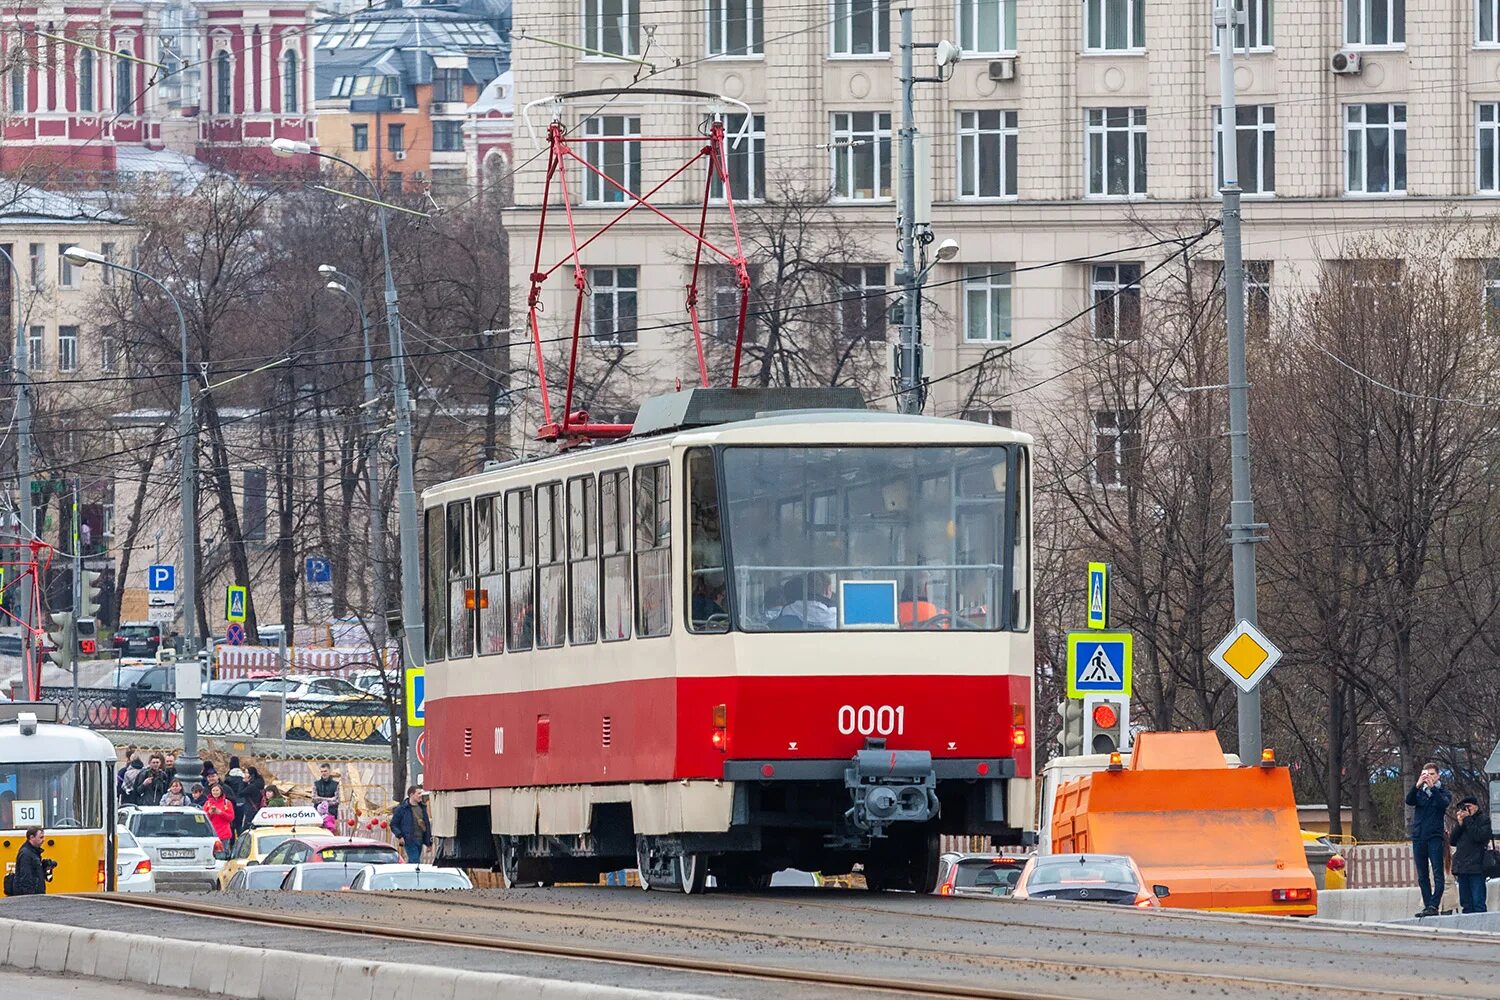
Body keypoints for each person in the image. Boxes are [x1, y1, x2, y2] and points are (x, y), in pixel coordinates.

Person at [1407, 761, 1452, 917]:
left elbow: (1443, 804)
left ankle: (1434, 904)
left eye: (1432, 774)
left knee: (1437, 873)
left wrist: (1433, 788)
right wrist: (1418, 785)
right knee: (1422, 875)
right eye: (1426, 774)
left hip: (1434, 837)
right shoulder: (1420, 793)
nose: (1429, 777)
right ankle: (1428, 905)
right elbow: (1409, 800)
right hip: (1419, 837)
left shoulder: (1443, 792)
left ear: (1438, 776)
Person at [1450, 797, 1492, 915]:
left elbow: (1479, 836)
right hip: (1462, 867)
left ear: (1475, 806)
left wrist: (1468, 819)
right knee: (1466, 904)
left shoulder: (1483, 820)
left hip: (1477, 867)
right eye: (1463, 808)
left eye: (1468, 807)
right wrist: (1460, 824)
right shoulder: (1463, 823)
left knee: (1478, 902)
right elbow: (1452, 841)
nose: (1466, 810)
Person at [390, 786, 431, 864]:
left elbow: (427, 825)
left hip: (420, 839)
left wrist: (428, 843)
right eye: (418, 793)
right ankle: (414, 875)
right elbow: (393, 824)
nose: (421, 795)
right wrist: (400, 836)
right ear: (411, 794)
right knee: (415, 861)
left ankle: (408, 873)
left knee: (413, 860)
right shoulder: (402, 808)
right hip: (409, 840)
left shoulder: (422, 808)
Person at [7, 827, 51, 896]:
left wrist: (43, 867)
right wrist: (29, 898)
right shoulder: (26, 854)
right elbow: (25, 877)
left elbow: (34, 873)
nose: (43, 840)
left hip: (35, 895)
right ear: (32, 837)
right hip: (31, 897)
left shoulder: (33, 852)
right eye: (41, 837)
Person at [238, 766, 266, 833]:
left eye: (247, 773)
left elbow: (240, 793)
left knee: (246, 830)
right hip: (257, 809)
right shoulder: (260, 783)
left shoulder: (252, 787)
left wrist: (243, 782)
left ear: (251, 775)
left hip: (251, 811)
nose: (245, 775)